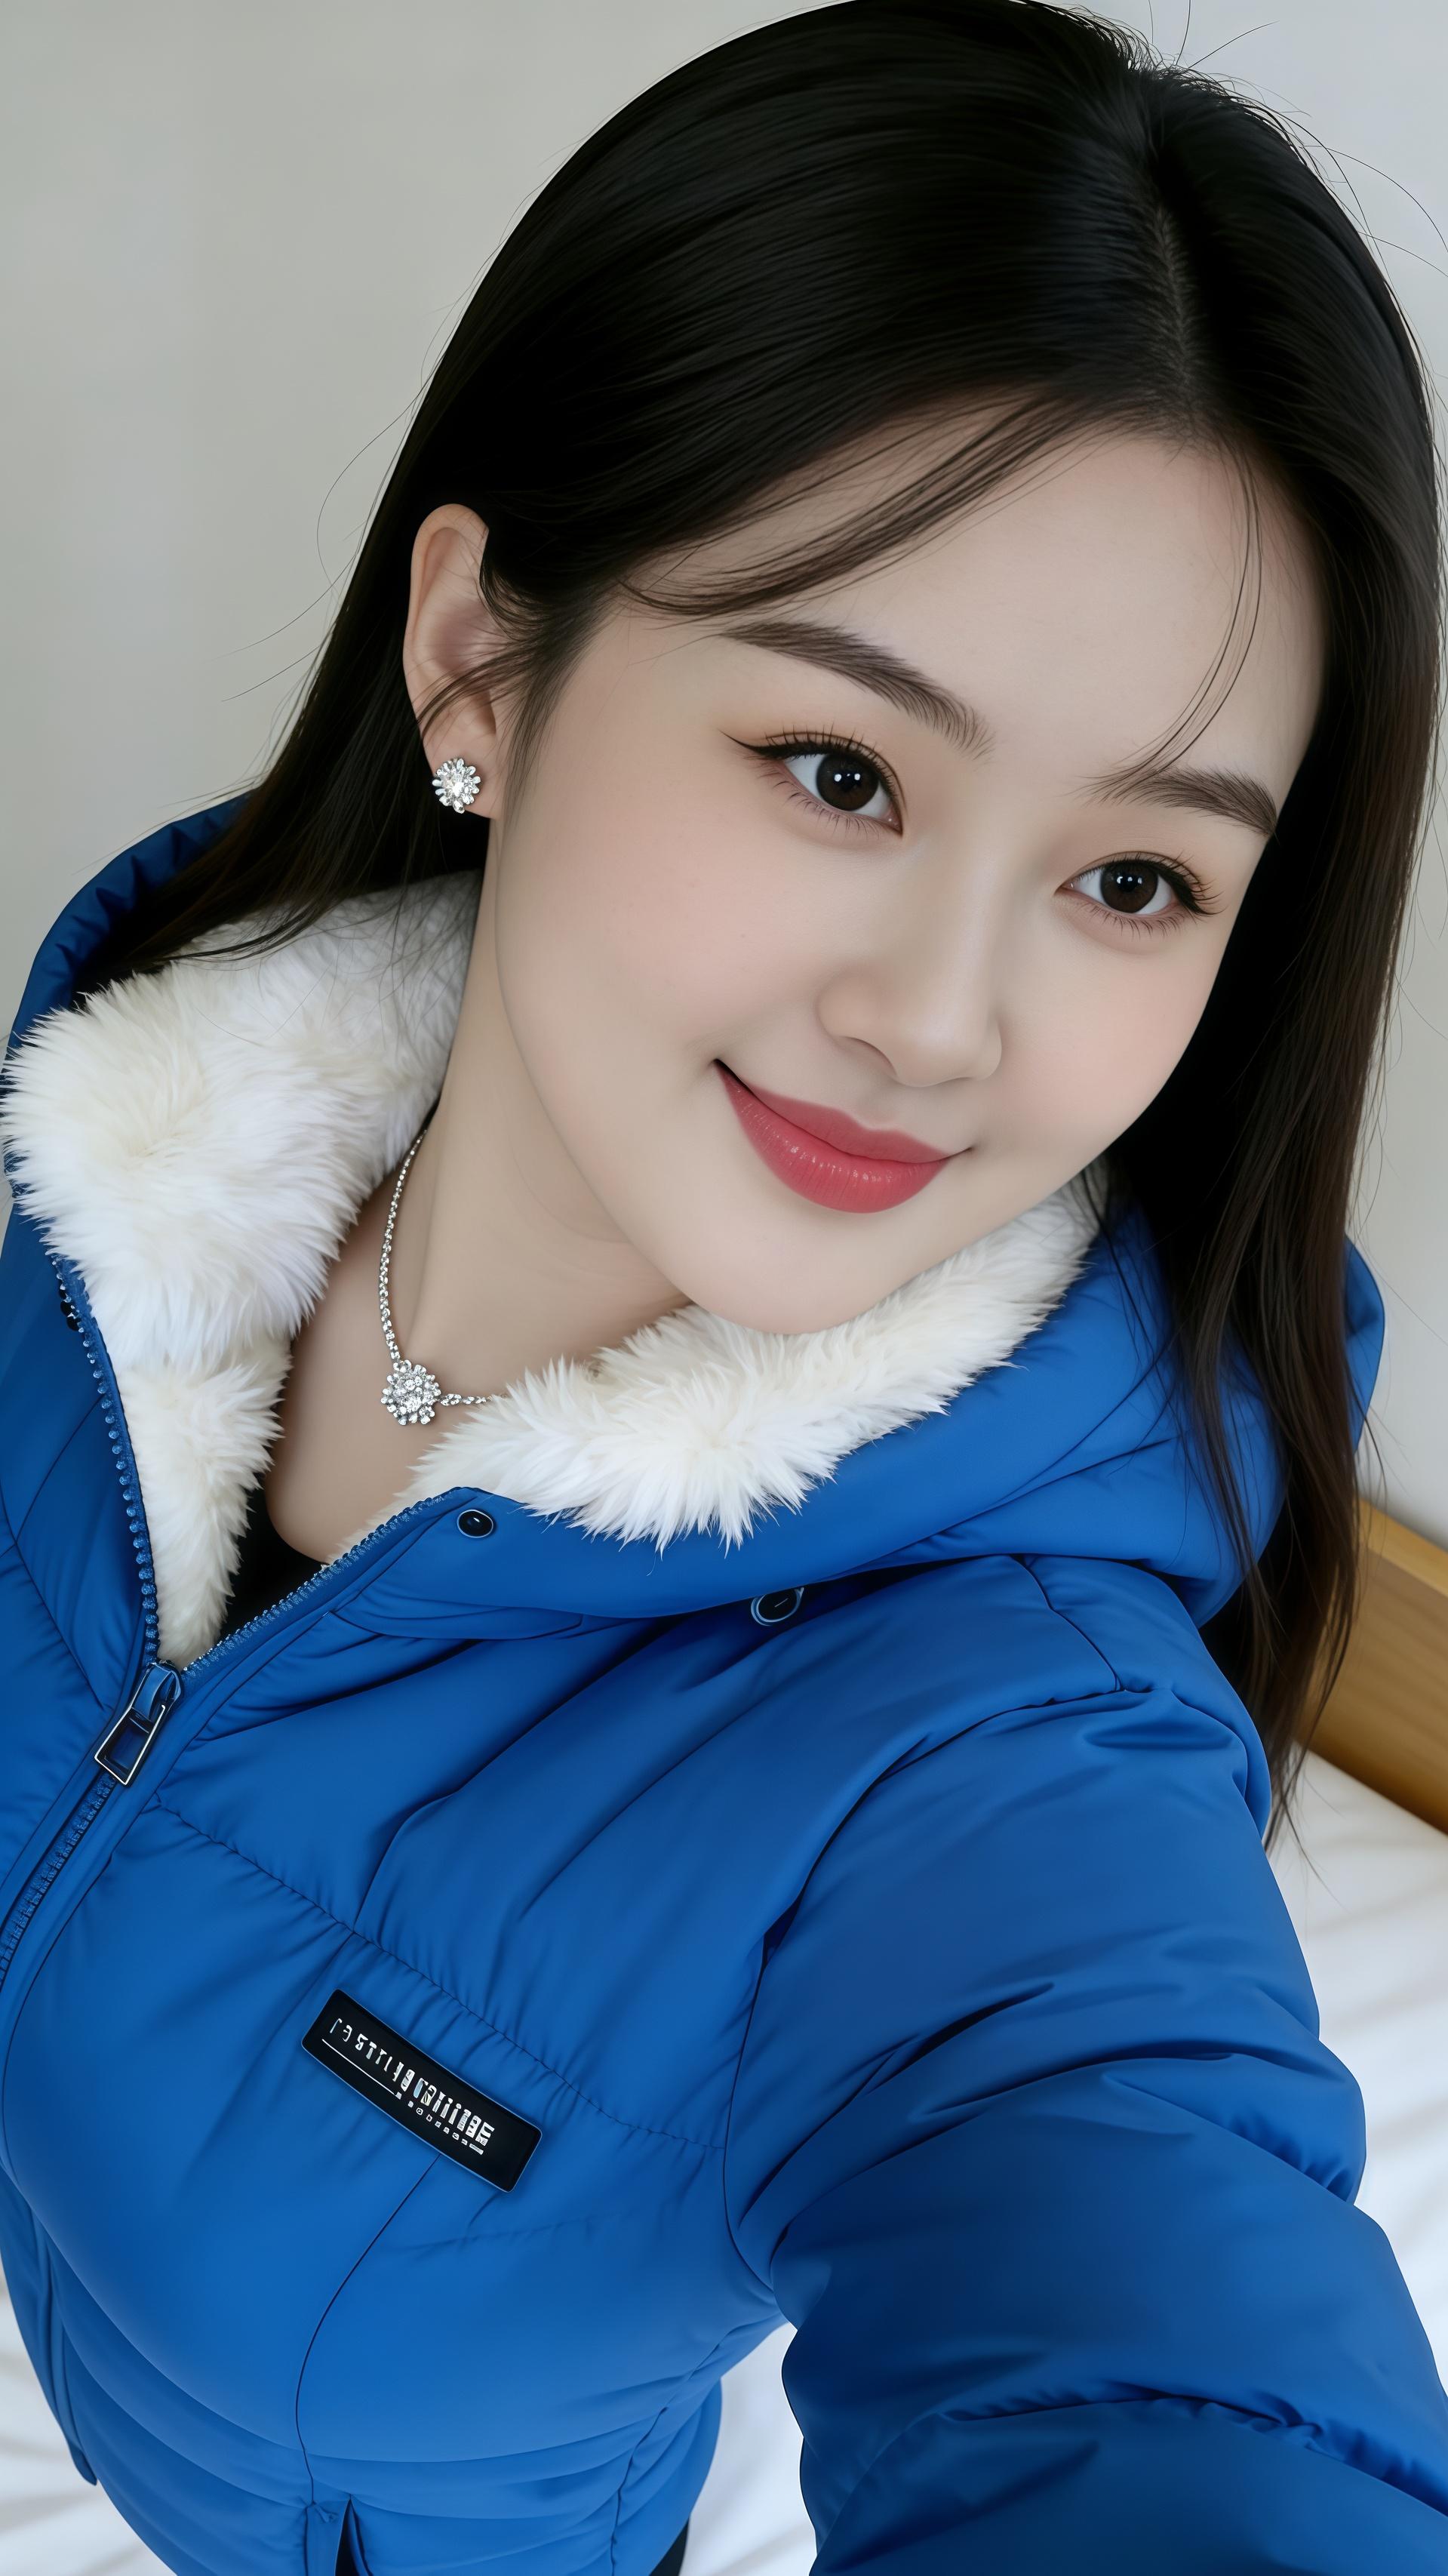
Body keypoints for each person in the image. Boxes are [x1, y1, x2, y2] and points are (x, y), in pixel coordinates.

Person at [2, 2, 1446, 2570]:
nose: (942, 1021)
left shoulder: (994, 1767)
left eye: (1137, 878)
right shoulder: (105, 1166)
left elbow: (1154, 2358)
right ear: (481, 655)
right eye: (841, 769)